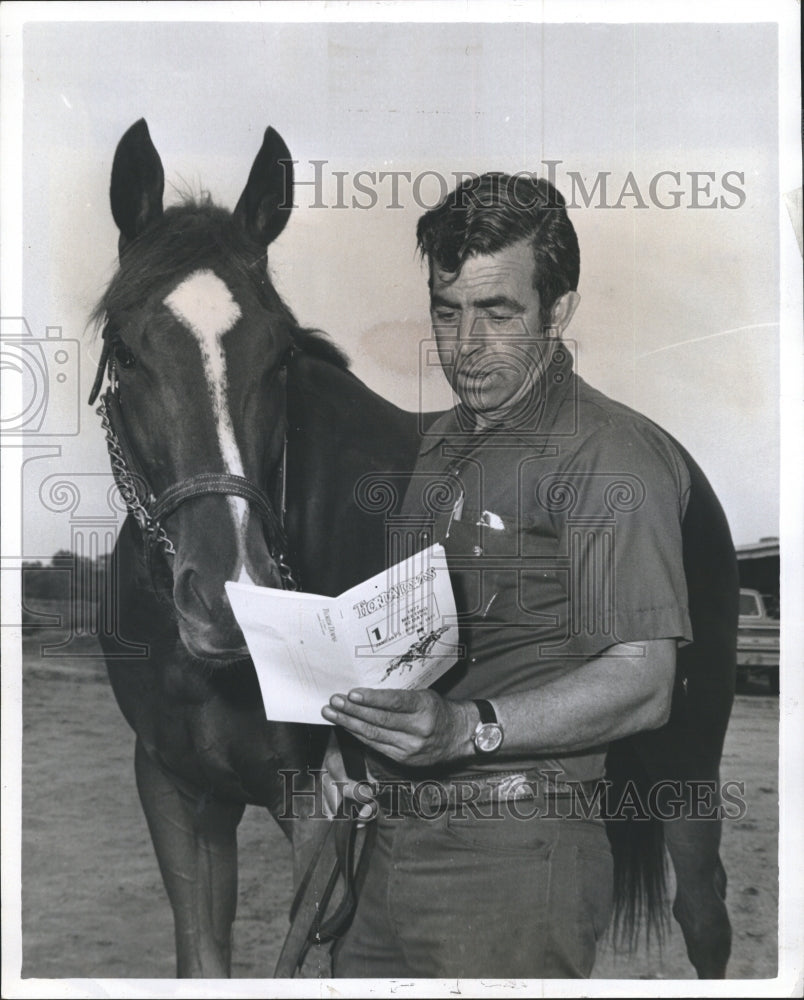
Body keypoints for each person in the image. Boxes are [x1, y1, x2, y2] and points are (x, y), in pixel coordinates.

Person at [319, 172, 693, 978]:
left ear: (558, 312)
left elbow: (645, 681)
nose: (467, 346)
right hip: (388, 844)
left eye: (499, 313)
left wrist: (467, 728)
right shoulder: (444, 444)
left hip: (515, 859)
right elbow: (419, 638)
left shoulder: (608, 454)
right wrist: (357, 746)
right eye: (447, 314)